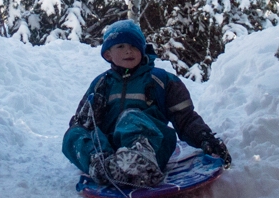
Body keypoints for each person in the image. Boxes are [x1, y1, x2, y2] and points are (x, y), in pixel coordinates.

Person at [63, 19, 231, 187]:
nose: (128, 51)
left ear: (143, 50)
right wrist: (89, 122)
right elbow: (83, 123)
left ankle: (140, 160)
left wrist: (206, 140)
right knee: (73, 135)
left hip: (155, 144)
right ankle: (102, 165)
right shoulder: (101, 84)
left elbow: (185, 119)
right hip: (112, 150)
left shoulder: (161, 80)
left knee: (131, 116)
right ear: (108, 54)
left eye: (134, 46)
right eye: (121, 46)